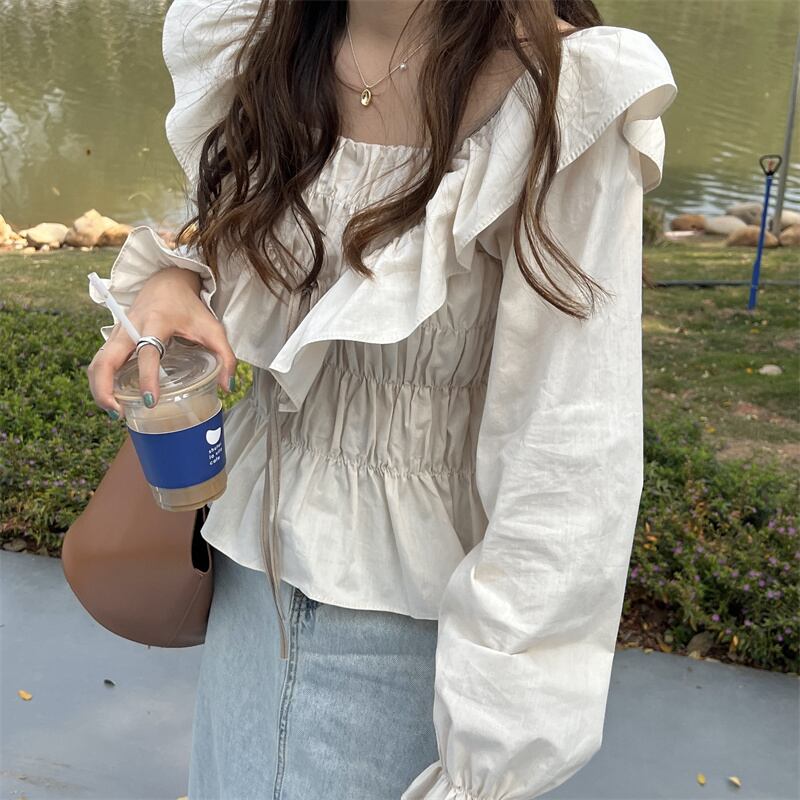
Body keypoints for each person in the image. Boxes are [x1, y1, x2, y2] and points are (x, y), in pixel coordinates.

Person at [86, 1, 678, 798]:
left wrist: (489, 762)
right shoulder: (267, 39)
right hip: (246, 589)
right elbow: (234, 232)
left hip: (415, 637)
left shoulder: (564, 97)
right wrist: (175, 281)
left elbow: (569, 463)